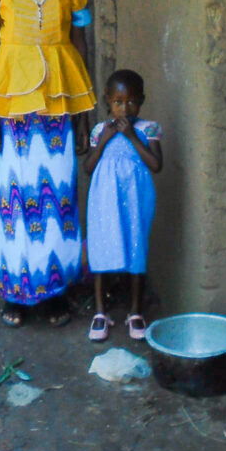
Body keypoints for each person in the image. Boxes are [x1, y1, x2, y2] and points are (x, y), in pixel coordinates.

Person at [0, 0, 95, 328]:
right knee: (13, 198)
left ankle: (54, 293)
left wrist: (85, 115)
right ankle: (15, 293)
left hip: (59, 104)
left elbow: (80, 44)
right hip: (11, 107)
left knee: (56, 198)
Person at [82, 68, 163, 342]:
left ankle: (135, 312)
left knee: (136, 248)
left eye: (131, 102)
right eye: (118, 102)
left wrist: (130, 136)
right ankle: (100, 312)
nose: (124, 108)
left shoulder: (147, 129)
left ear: (141, 100)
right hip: (104, 200)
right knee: (102, 250)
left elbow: (155, 164)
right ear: (108, 101)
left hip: (136, 199)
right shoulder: (99, 130)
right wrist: (104, 141)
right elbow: (88, 167)